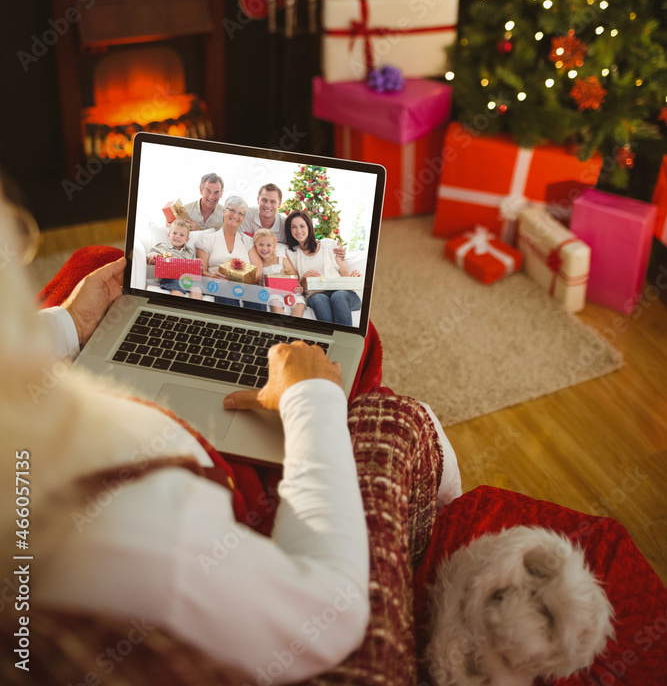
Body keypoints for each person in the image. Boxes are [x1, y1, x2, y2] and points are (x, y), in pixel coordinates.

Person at [4, 190, 462, 686]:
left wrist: (69, 324)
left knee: (97, 264)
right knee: (372, 371)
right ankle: (446, 512)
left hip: (130, 356)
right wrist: (311, 396)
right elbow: (325, 614)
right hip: (209, 471)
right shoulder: (125, 520)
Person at [285, 210, 362, 327]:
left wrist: (353, 276)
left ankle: (344, 340)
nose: (298, 231)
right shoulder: (291, 253)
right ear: (289, 230)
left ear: (309, 227)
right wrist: (304, 278)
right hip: (315, 295)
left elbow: (344, 272)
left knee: (338, 296)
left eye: (302, 226)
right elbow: (297, 287)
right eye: (294, 227)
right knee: (318, 298)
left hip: (344, 295)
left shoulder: (329, 244)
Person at [192, 195, 262, 310]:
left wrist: (244, 281)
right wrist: (212, 277)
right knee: (223, 287)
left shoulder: (248, 241)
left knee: (257, 291)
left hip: (244, 285)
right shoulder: (207, 240)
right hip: (218, 284)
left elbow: (258, 270)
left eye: (241, 214)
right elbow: (201, 271)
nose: (235, 216)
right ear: (224, 211)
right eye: (232, 211)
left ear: (243, 218)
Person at [248, 227, 306, 317]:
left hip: (290, 292)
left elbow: (294, 277)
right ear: (255, 246)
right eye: (261, 245)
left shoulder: (281, 260)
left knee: (300, 304)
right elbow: (258, 282)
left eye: (268, 245)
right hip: (273, 294)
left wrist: (299, 287)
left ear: (274, 246)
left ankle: (293, 328)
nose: (264, 248)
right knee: (275, 303)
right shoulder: (259, 265)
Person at [147, 218, 197, 297]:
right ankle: (178, 308)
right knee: (177, 285)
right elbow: (150, 255)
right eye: (174, 233)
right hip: (170, 278)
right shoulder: (162, 247)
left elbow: (195, 268)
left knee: (197, 288)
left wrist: (199, 267)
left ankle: (194, 308)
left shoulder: (190, 252)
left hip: (187, 279)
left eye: (181, 235)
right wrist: (153, 255)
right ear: (169, 235)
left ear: (187, 240)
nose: (177, 236)